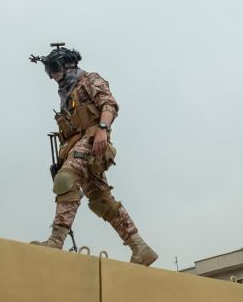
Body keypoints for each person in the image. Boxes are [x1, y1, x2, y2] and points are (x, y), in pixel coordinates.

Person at [29, 43, 157, 266]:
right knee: (100, 201)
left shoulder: (88, 80)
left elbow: (109, 104)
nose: (52, 77)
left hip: (92, 140)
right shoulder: (67, 95)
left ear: (64, 65)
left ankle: (55, 241)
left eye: (53, 69)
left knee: (66, 179)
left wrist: (103, 130)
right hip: (79, 144)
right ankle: (140, 248)